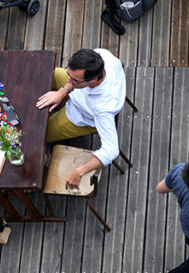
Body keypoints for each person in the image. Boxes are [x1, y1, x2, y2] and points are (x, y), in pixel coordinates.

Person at [35, 48, 127, 189]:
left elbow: (112, 149)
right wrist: (64, 90)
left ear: (94, 79)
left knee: (40, 133)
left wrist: (80, 171)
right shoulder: (101, 55)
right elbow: (71, 79)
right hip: (77, 96)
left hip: (79, 116)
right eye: (68, 74)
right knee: (48, 73)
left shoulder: (103, 108)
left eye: (74, 80)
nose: (69, 80)